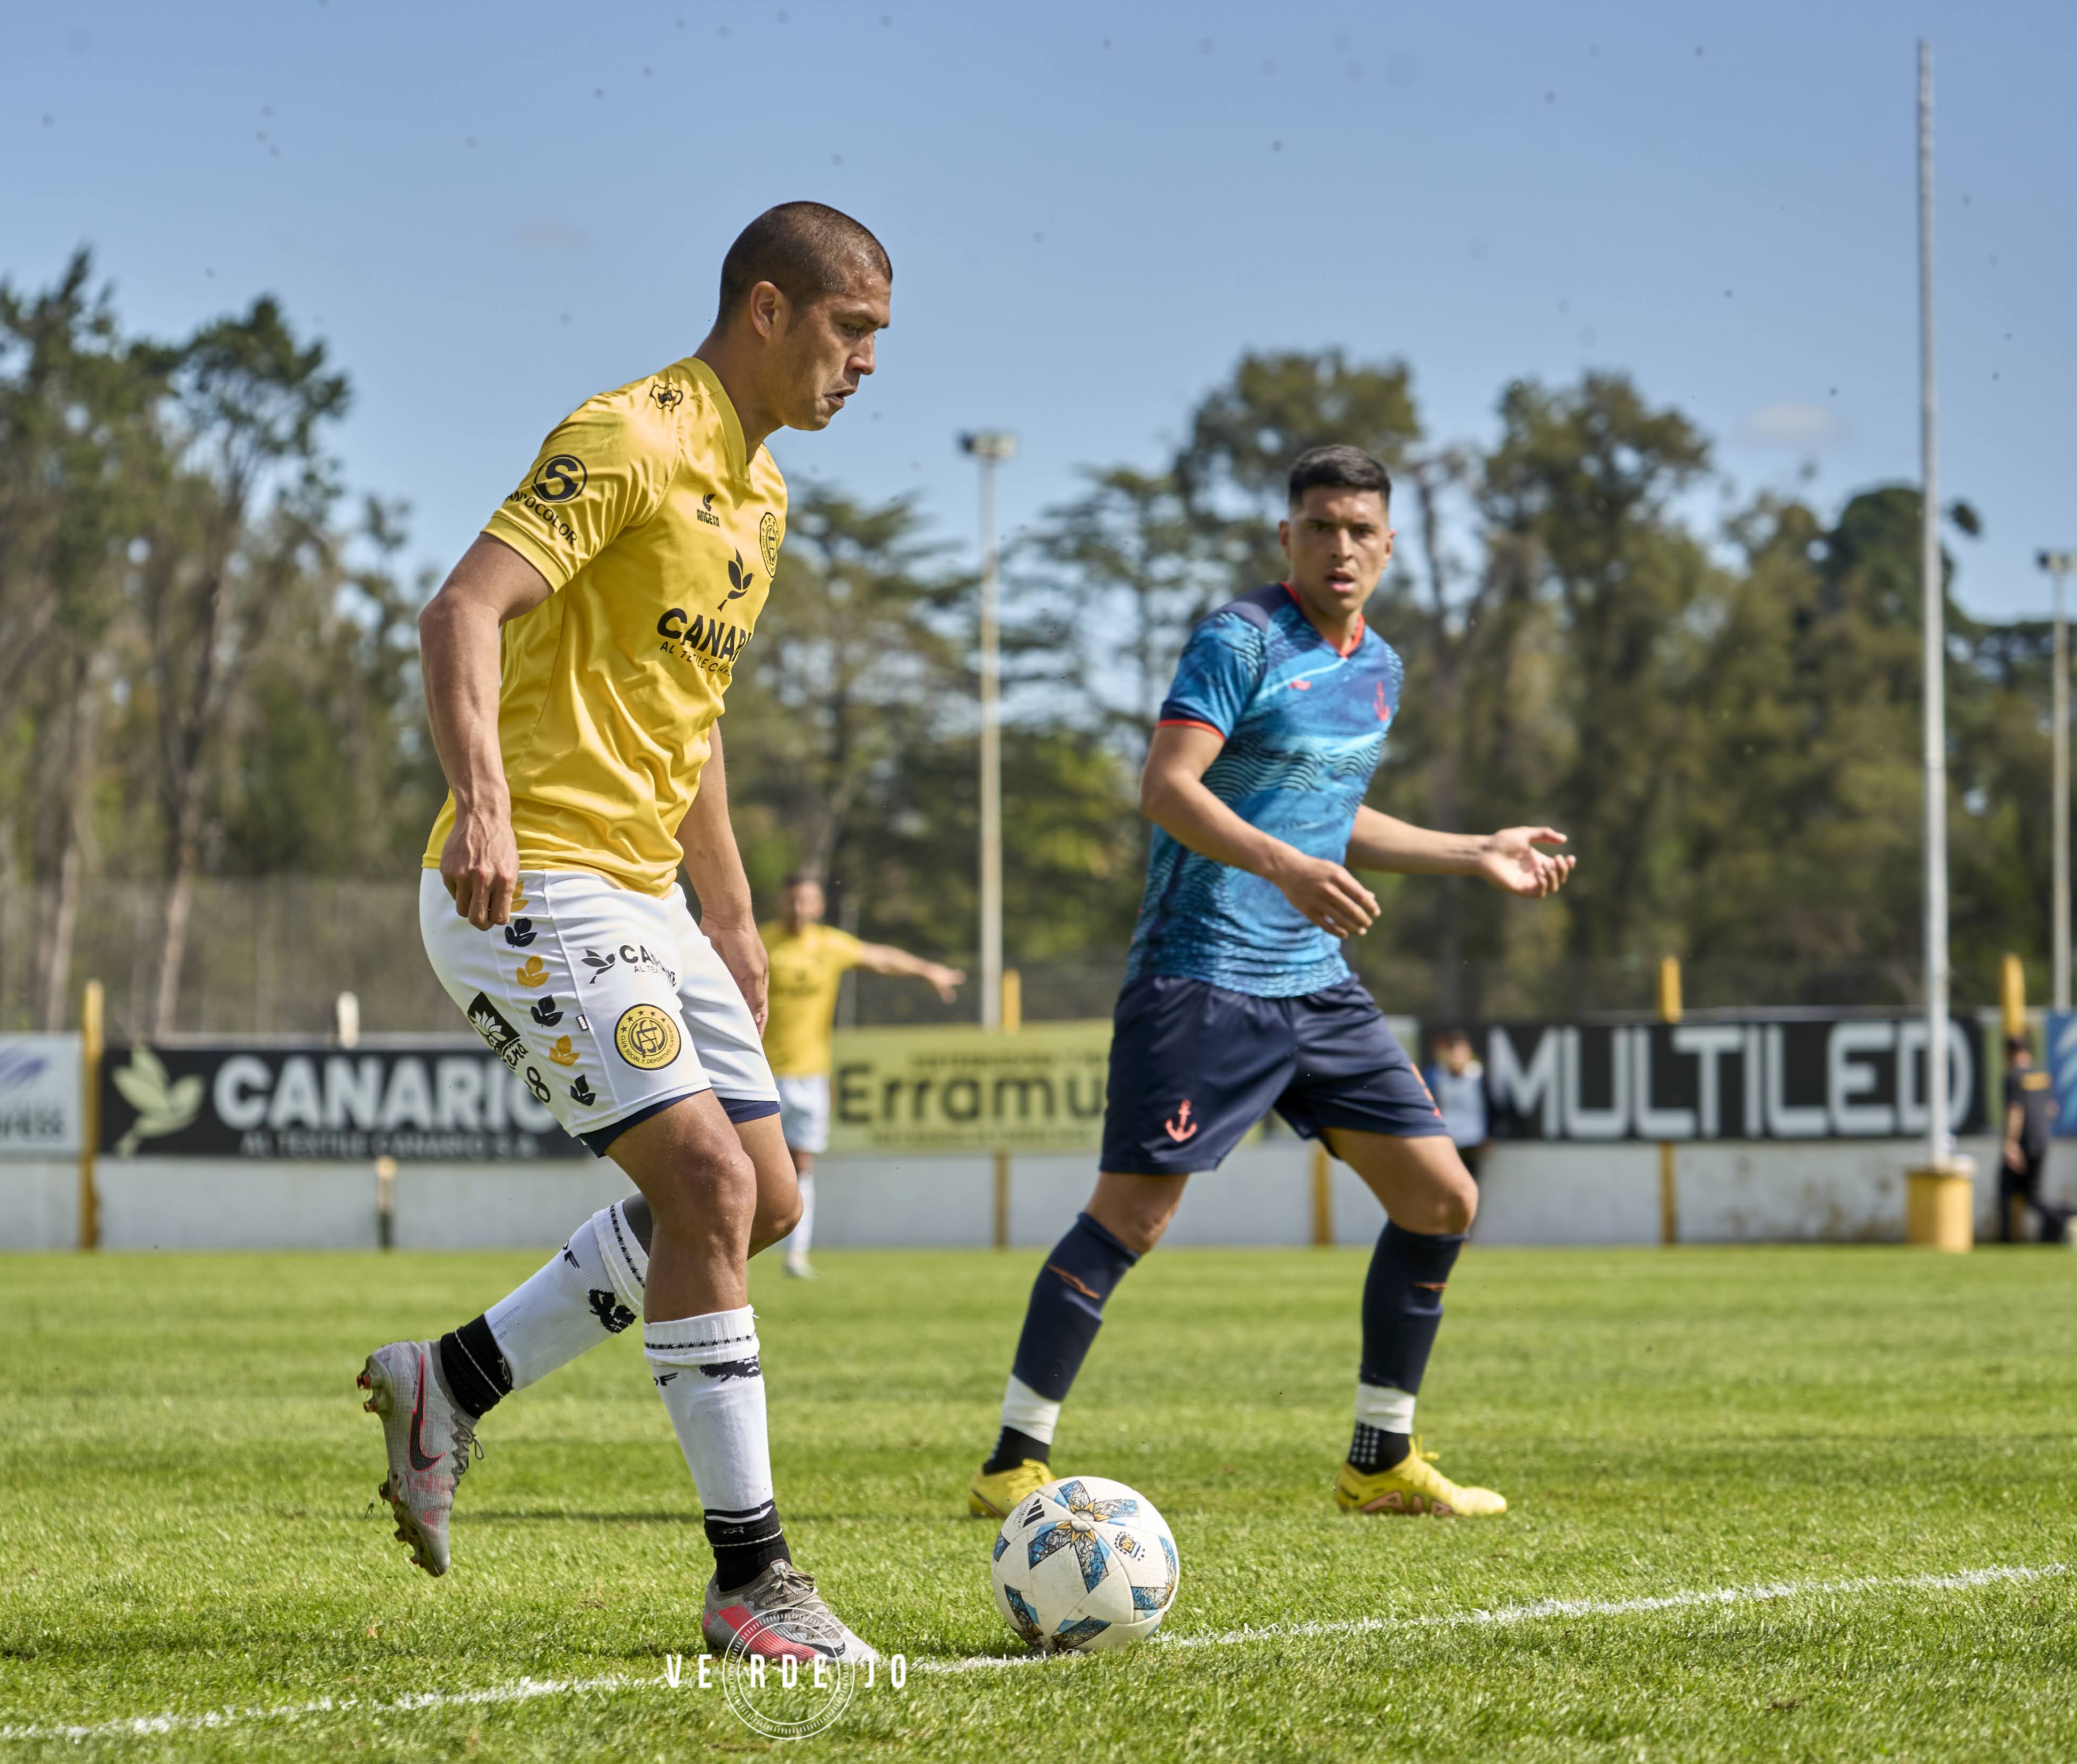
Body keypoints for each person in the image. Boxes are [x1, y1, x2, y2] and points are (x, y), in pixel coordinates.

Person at [361, 203, 891, 1666]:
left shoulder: (760, 498)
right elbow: (460, 612)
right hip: (531, 879)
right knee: (706, 1182)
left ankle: (451, 1382)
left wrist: (731, 913)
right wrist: (483, 805)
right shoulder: (628, 437)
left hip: (649, 897)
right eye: (851, 331)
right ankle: (751, 1583)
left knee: (764, 1201)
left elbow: (689, 717)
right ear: (769, 310)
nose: (866, 364)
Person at [965, 444, 1576, 1528]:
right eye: (1320, 527)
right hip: (1200, 975)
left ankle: (1378, 1457)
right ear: (1285, 537)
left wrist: (1472, 849)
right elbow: (1167, 787)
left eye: (1359, 531)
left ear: (1387, 547)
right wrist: (1283, 867)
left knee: (1441, 1199)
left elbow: (1330, 813)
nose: (1340, 547)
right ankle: (1012, 1463)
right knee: (1133, 1217)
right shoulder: (1238, 639)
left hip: (1315, 984)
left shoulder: (1378, 666)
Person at [760, 874, 965, 1278]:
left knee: (802, 1165)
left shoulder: (830, 945)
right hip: (760, 1074)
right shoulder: (760, 941)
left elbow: (881, 958)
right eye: (792, 901)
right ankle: (737, 1252)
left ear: (819, 906)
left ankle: (796, 1255)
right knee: (747, 1166)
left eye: (806, 901)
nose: (799, 909)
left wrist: (927, 970)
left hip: (811, 1076)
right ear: (781, 903)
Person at [1997, 1035, 2066, 1243]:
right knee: (2033, 1196)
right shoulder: (2042, 1075)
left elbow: (2015, 1111)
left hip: (2023, 1142)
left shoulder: (2013, 1076)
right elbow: (2052, 1109)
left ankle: (2006, 1239)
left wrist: (2011, 1144)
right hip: (2042, 1140)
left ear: (2009, 1053)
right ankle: (2060, 1222)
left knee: (2005, 1190)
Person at [1427, 1028, 1489, 1184]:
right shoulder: (1436, 1075)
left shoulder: (1479, 1075)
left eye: (1460, 1051)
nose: (1456, 1056)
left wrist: (1489, 1134)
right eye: (1452, 1051)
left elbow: (1491, 1105)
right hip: (1447, 1139)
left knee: (1469, 1185)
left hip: (1472, 1139)